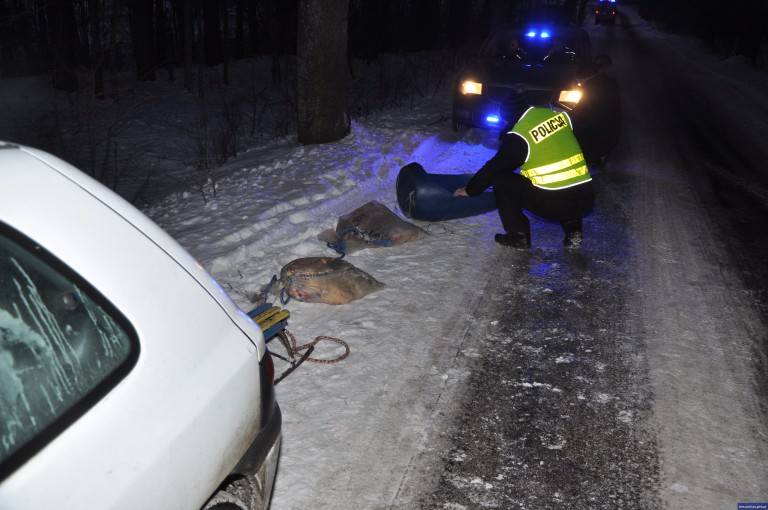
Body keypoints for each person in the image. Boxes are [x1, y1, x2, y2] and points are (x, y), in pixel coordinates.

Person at [453, 92, 594, 250]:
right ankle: (573, 229)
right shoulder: (555, 115)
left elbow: (495, 167)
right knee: (566, 183)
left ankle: (518, 236)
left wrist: (470, 190)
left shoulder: (520, 135)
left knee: (502, 180)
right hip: (586, 198)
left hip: (554, 204)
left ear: (507, 117)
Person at [570, 56, 621, 169]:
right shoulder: (607, 84)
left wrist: (570, 120)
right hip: (610, 129)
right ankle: (599, 158)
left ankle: (592, 162)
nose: (579, 84)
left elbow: (583, 112)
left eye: (580, 81)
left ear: (587, 78)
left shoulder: (592, 90)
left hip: (597, 132)